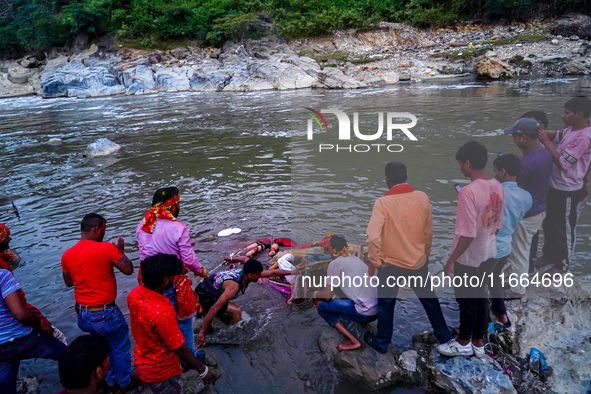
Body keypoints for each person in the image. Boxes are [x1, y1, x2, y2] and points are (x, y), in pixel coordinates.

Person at [364, 161, 451, 354]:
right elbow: (428, 231)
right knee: (429, 299)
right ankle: (444, 335)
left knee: (387, 304)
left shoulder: (382, 203)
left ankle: (382, 342)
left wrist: (376, 260)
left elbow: (372, 237)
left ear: (387, 180)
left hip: (390, 264)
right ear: (406, 177)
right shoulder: (422, 197)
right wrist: (425, 254)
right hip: (417, 262)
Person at [437, 141, 504, 358]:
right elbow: (498, 223)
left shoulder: (468, 192)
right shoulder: (497, 185)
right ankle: (478, 341)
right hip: (489, 252)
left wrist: (451, 260)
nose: (460, 168)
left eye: (460, 164)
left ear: (467, 163)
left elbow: (467, 233)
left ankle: (463, 341)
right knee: (480, 296)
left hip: (470, 256)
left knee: (467, 299)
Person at [61, 213, 138, 392]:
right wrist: (120, 251)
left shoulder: (67, 254)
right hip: (104, 313)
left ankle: (110, 381)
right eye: (103, 230)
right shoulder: (106, 248)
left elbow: (68, 282)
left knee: (102, 348)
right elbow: (128, 269)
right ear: (96, 229)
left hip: (82, 315)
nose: (104, 233)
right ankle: (125, 382)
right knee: (120, 346)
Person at [128, 254, 216, 393]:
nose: (174, 279)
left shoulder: (134, 294)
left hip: (143, 360)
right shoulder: (163, 311)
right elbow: (179, 347)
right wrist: (202, 369)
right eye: (172, 277)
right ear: (165, 280)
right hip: (163, 371)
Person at [136, 186, 207, 356]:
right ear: (173, 206)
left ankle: (166, 353)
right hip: (170, 284)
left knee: (158, 322)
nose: (180, 208)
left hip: (149, 283)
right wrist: (201, 271)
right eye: (178, 204)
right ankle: (191, 357)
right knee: (183, 323)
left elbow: (147, 254)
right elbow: (189, 260)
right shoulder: (179, 228)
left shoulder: (143, 225)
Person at [195, 258, 303, 347]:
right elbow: (215, 307)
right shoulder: (234, 286)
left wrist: (295, 271)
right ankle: (229, 333)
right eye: (257, 275)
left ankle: (212, 318)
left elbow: (273, 272)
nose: (259, 276)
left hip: (209, 290)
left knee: (225, 305)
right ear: (250, 275)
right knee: (237, 312)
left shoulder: (245, 273)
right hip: (204, 296)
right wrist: (202, 333)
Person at [538, 97, 591, 274]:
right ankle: (549, 255)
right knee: (550, 223)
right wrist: (542, 132)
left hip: (568, 189)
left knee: (564, 227)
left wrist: (545, 142)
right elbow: (557, 135)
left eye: (567, 113)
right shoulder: (571, 130)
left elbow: (563, 163)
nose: (563, 115)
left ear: (579, 115)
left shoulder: (583, 137)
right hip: (554, 185)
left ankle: (563, 264)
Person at [502, 114, 553, 298]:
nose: (514, 140)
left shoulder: (525, 163)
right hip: (539, 210)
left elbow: (516, 191)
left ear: (524, 137)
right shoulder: (546, 153)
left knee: (519, 253)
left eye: (515, 136)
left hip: (527, 215)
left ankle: (517, 289)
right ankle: (519, 279)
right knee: (522, 249)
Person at [0, 268, 66, 394]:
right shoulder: (2, 275)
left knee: (6, 388)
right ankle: (79, 386)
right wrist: (40, 323)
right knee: (64, 353)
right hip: (23, 338)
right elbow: (20, 314)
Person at [486, 154, 531, 326]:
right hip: (506, 247)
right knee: (495, 278)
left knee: (479, 286)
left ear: (502, 171)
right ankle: (502, 314)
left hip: (491, 247)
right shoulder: (526, 196)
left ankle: (480, 326)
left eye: (496, 171)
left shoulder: (495, 193)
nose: (495, 174)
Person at [0, 223, 66, 342]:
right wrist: (41, 323)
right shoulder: (3, 270)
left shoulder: (4, 258)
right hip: (15, 325)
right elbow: (20, 307)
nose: (10, 239)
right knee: (59, 341)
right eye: (6, 237)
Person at [314, 235, 377, 351]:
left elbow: (327, 296)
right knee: (337, 290)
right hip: (377, 309)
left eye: (329, 250)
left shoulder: (335, 263)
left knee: (322, 307)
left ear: (333, 250)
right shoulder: (355, 259)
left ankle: (353, 341)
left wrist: (316, 295)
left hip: (366, 313)